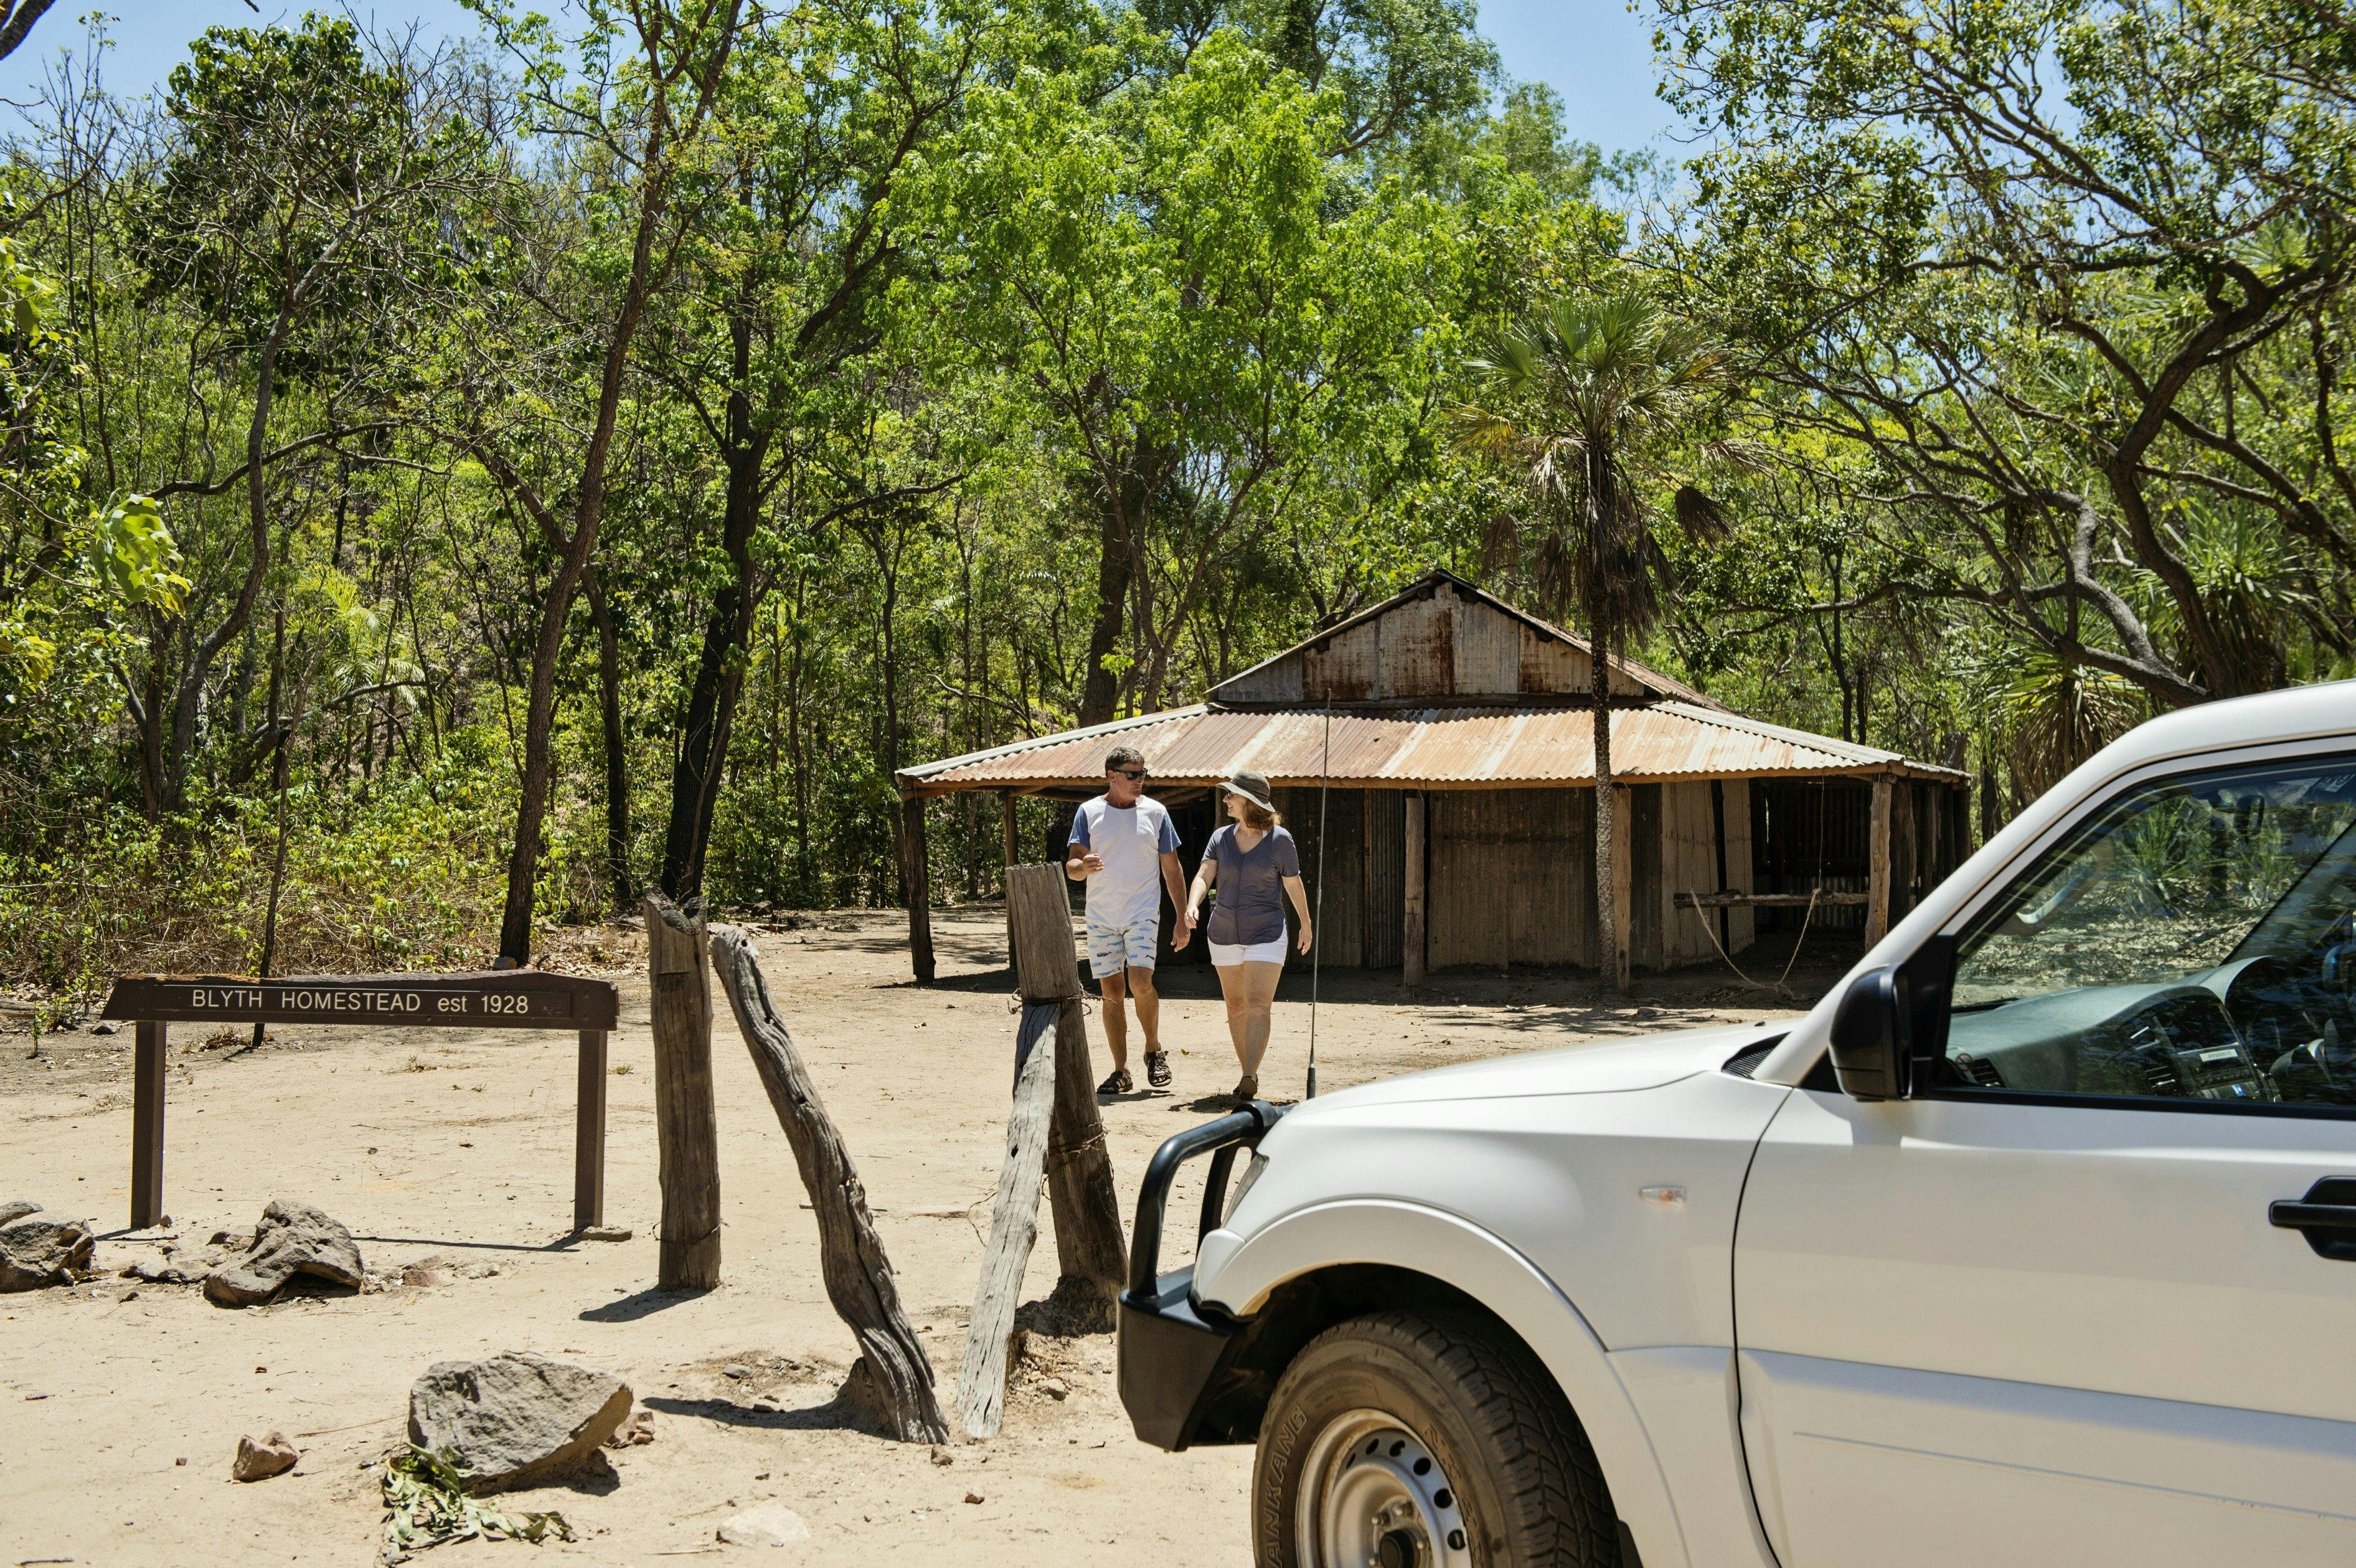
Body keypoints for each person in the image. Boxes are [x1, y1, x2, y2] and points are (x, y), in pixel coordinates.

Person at [1066, 746, 1192, 1095]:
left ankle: (1153, 1050)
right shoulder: (1088, 812)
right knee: (1111, 993)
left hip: (1142, 914)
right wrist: (1083, 866)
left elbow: (1172, 869)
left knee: (1140, 983)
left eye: (1143, 774)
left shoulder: (1157, 813)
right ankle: (1121, 1071)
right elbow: (1072, 867)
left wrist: (1182, 918)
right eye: (1133, 775)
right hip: (1101, 918)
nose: (1140, 781)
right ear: (1112, 776)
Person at [1183, 769, 1311, 1104]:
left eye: (1231, 795)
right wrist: (1193, 904)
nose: (1226, 799)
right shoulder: (1221, 838)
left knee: (1258, 1005)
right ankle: (1247, 1074)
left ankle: (1250, 1074)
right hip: (1223, 932)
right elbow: (1204, 875)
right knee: (1236, 1007)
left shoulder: (1280, 840)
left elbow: (1293, 883)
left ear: (1249, 801)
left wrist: (1306, 923)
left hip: (1267, 932)